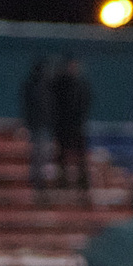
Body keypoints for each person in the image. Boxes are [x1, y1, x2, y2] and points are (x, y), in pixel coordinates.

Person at [51, 57, 92, 193]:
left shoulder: (81, 85)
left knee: (80, 155)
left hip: (77, 126)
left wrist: (80, 118)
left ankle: (83, 183)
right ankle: (62, 181)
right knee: (62, 156)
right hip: (62, 126)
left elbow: (85, 102)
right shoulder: (59, 84)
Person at [20, 55, 56, 192]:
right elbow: (28, 106)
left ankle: (40, 179)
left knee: (43, 153)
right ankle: (37, 179)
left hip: (44, 125)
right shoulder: (33, 86)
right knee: (38, 153)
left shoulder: (49, 86)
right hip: (38, 125)